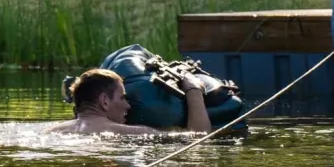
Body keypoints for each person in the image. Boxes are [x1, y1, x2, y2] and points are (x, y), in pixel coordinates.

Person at [47, 67, 211, 135]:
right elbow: (198, 137)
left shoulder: (52, 131)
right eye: (122, 97)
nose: (128, 105)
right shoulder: (135, 132)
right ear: (104, 101)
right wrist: (194, 90)